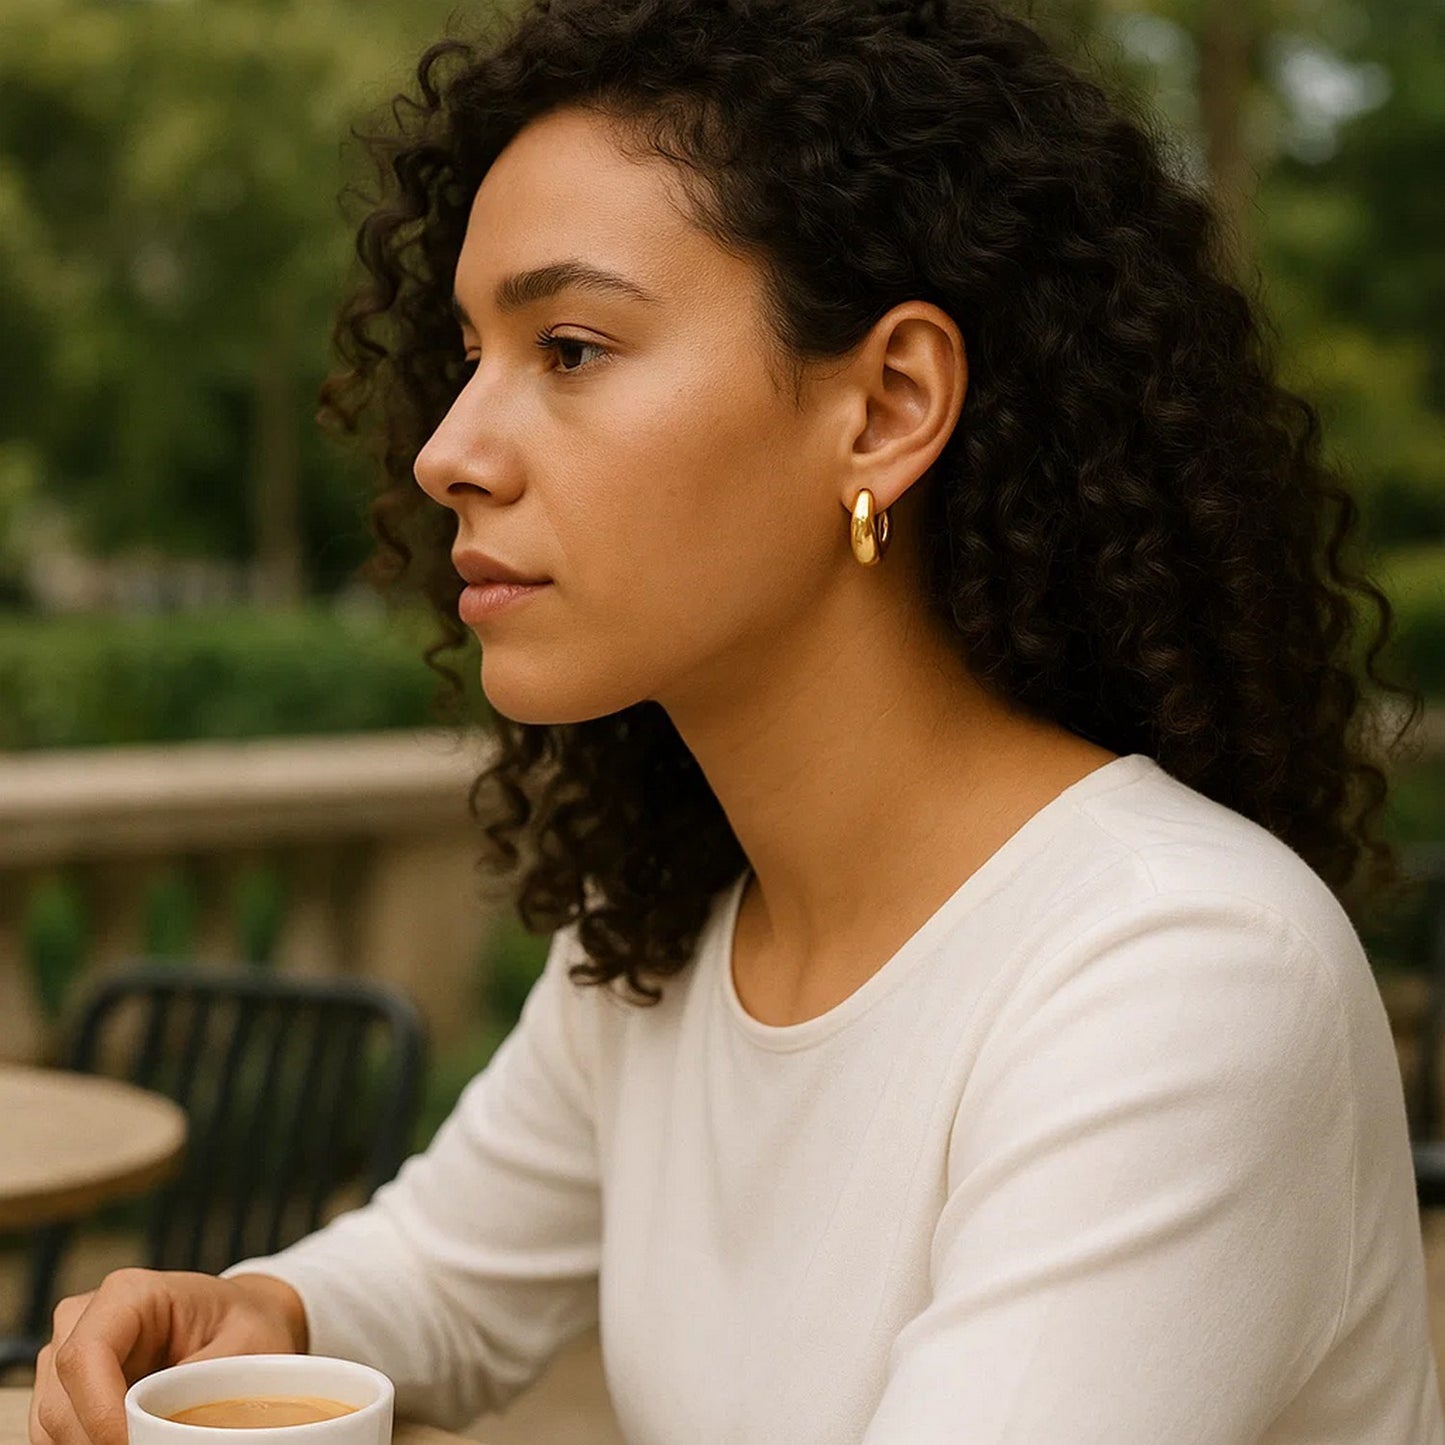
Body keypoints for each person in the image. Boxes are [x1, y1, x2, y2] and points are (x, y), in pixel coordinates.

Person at [28, 0, 1445, 1440]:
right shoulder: (673, 931)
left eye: (569, 348)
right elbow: (443, 1274)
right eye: (468, 353)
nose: (448, 449)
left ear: (887, 404)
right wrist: (271, 1313)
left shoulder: (1176, 979)